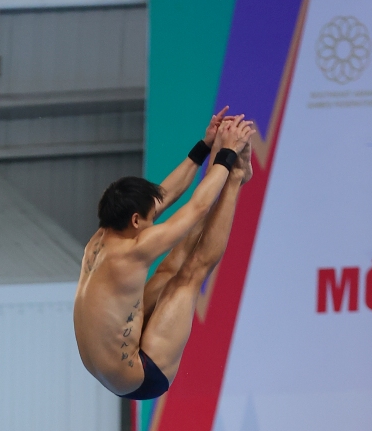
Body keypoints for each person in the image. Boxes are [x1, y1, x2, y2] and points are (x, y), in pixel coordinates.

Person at [73, 109, 255, 399]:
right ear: (135, 220)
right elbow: (197, 208)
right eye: (149, 218)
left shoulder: (101, 238)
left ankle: (223, 173)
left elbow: (164, 196)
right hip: (143, 376)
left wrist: (206, 146)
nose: (153, 221)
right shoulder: (133, 251)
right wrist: (228, 155)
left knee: (169, 268)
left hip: (109, 369)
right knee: (190, 274)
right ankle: (235, 180)